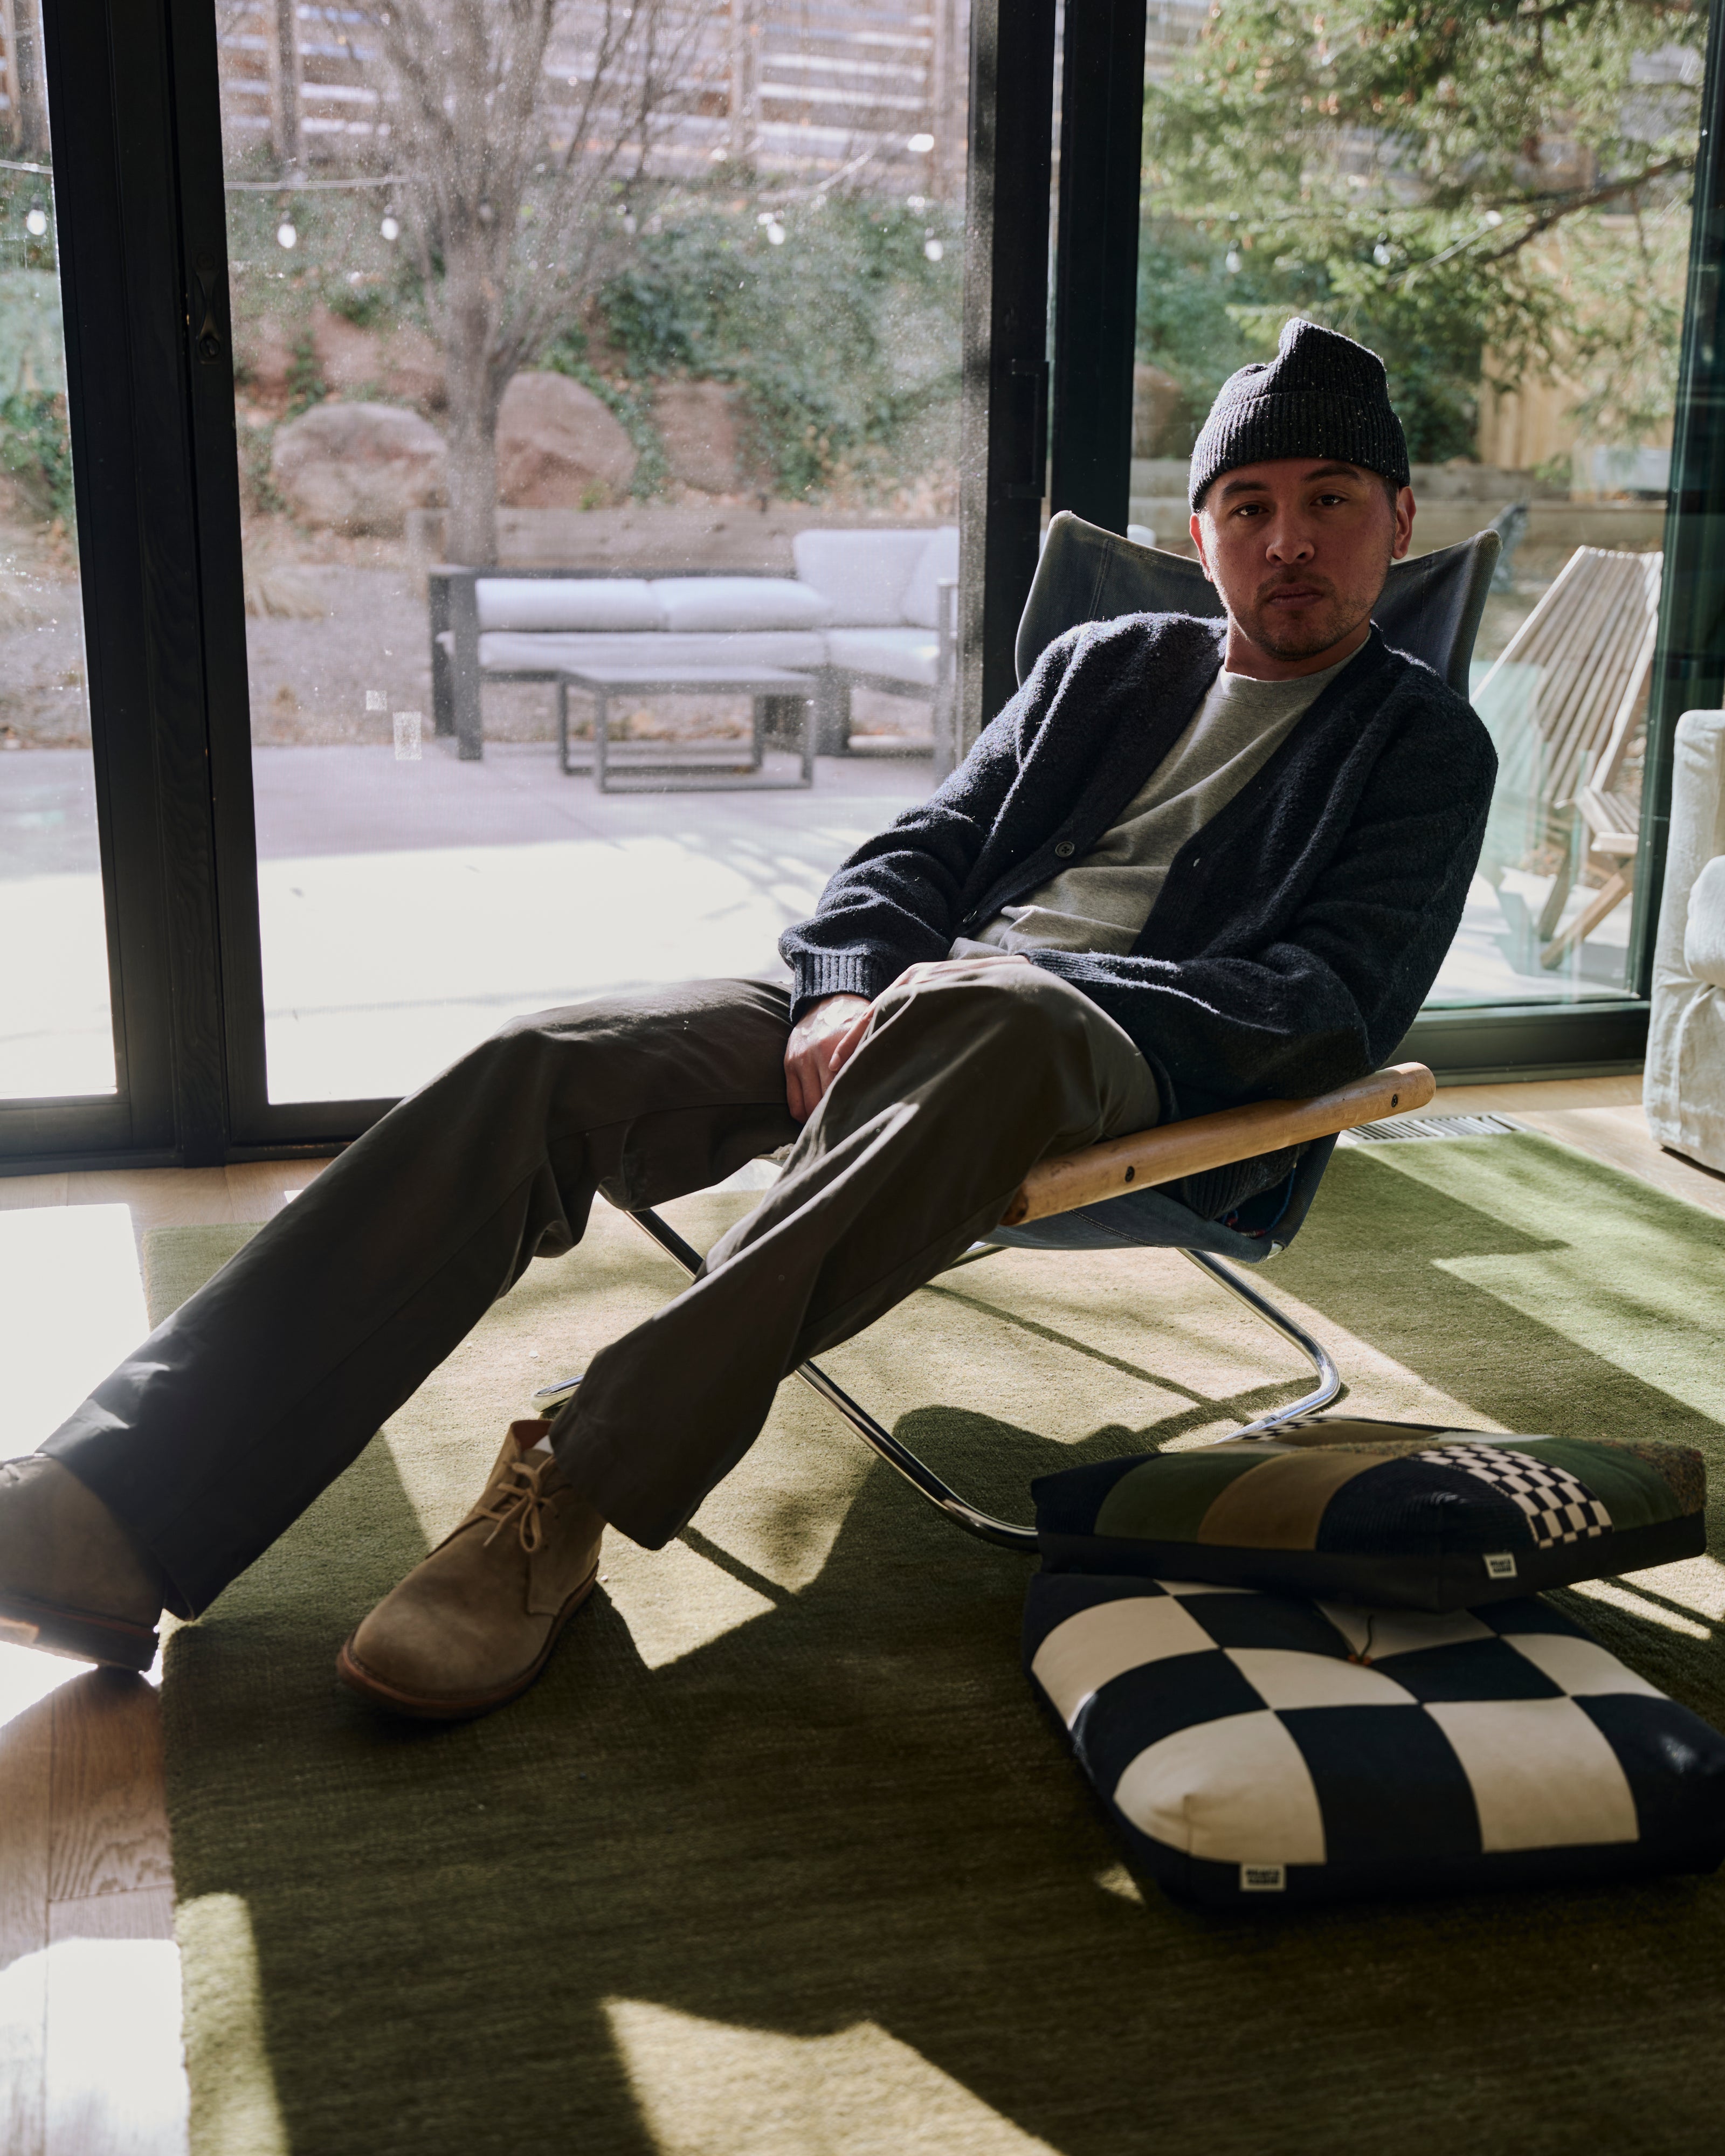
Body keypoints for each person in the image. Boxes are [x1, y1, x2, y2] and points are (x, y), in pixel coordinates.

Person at [0, 318, 1495, 1720]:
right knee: (541, 1069)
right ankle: (116, 1503)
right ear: (1200, 531)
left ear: (1400, 519)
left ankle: (571, 1488)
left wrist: (1013, 992)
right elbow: (919, 852)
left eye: (1331, 500)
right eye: (1248, 505)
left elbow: (1327, 1006)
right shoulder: (1106, 666)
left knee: (999, 1015)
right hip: (905, 1011)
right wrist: (844, 986)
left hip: (1121, 1069)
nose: (1288, 541)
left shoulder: (1423, 743)